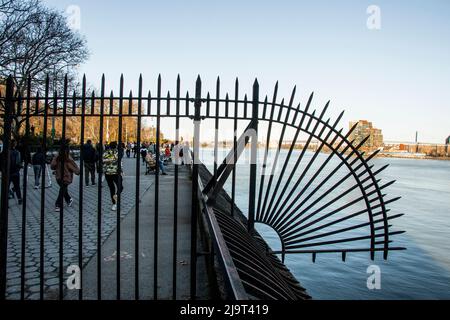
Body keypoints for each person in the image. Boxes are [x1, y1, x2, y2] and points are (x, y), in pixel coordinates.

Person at [51, 146, 80, 212]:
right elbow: (74, 166)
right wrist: (77, 171)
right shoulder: (66, 158)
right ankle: (64, 201)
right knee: (63, 190)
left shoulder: (59, 157)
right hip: (63, 176)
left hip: (61, 177)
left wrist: (77, 171)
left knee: (62, 190)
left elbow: (52, 166)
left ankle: (63, 202)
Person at [103, 142, 123, 211]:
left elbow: (103, 161)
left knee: (112, 189)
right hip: (116, 173)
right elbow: (120, 162)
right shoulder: (117, 152)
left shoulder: (105, 153)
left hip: (107, 174)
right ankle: (117, 195)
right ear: (116, 146)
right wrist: (121, 171)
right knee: (120, 186)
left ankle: (114, 205)